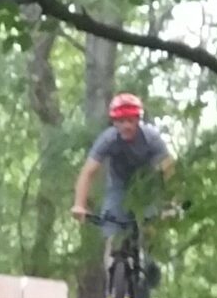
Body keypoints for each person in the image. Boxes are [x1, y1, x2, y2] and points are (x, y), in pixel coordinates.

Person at [71, 93, 173, 240]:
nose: (126, 126)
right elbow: (87, 172)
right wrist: (79, 205)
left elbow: (169, 171)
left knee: (150, 231)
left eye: (131, 120)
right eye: (121, 121)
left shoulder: (151, 138)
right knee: (111, 231)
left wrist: (170, 203)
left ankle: (148, 257)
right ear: (114, 122)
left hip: (147, 187)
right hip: (118, 186)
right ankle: (112, 260)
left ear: (138, 120)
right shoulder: (108, 139)